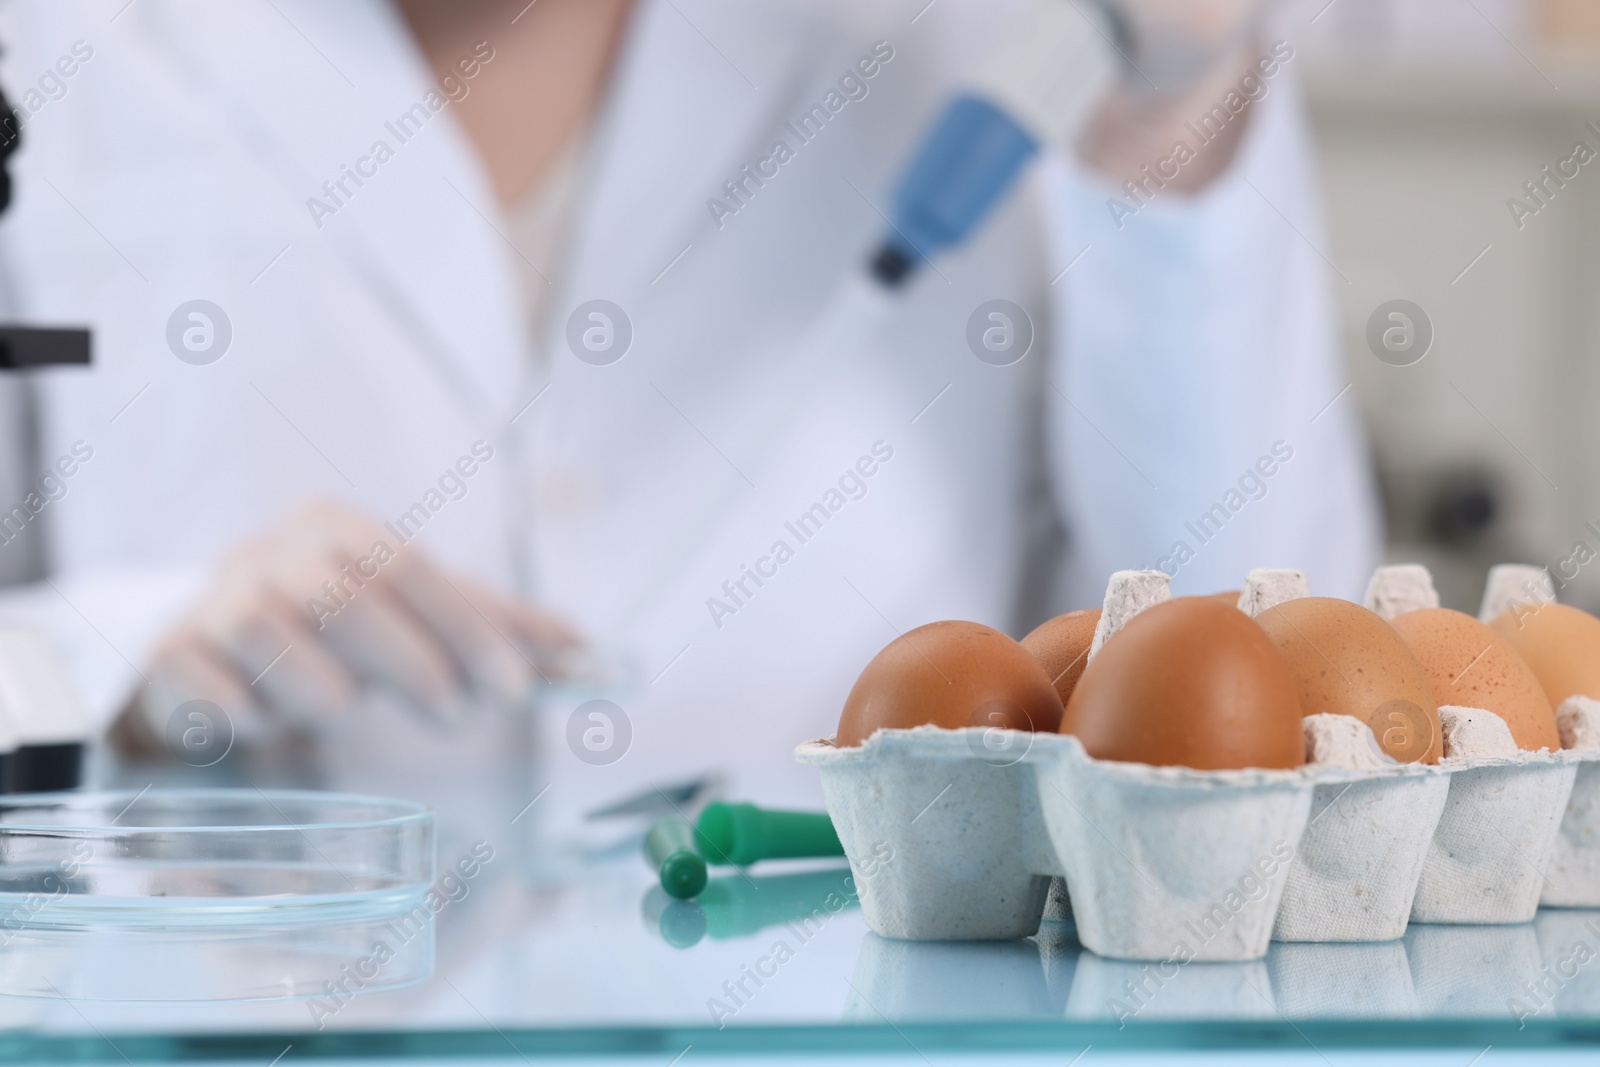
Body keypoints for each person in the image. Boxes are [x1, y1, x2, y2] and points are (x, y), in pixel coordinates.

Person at [0, 0, 1377, 776]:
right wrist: (131, 644)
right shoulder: (61, 42)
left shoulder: (992, 33)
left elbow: (1268, 673)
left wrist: (1173, 111)